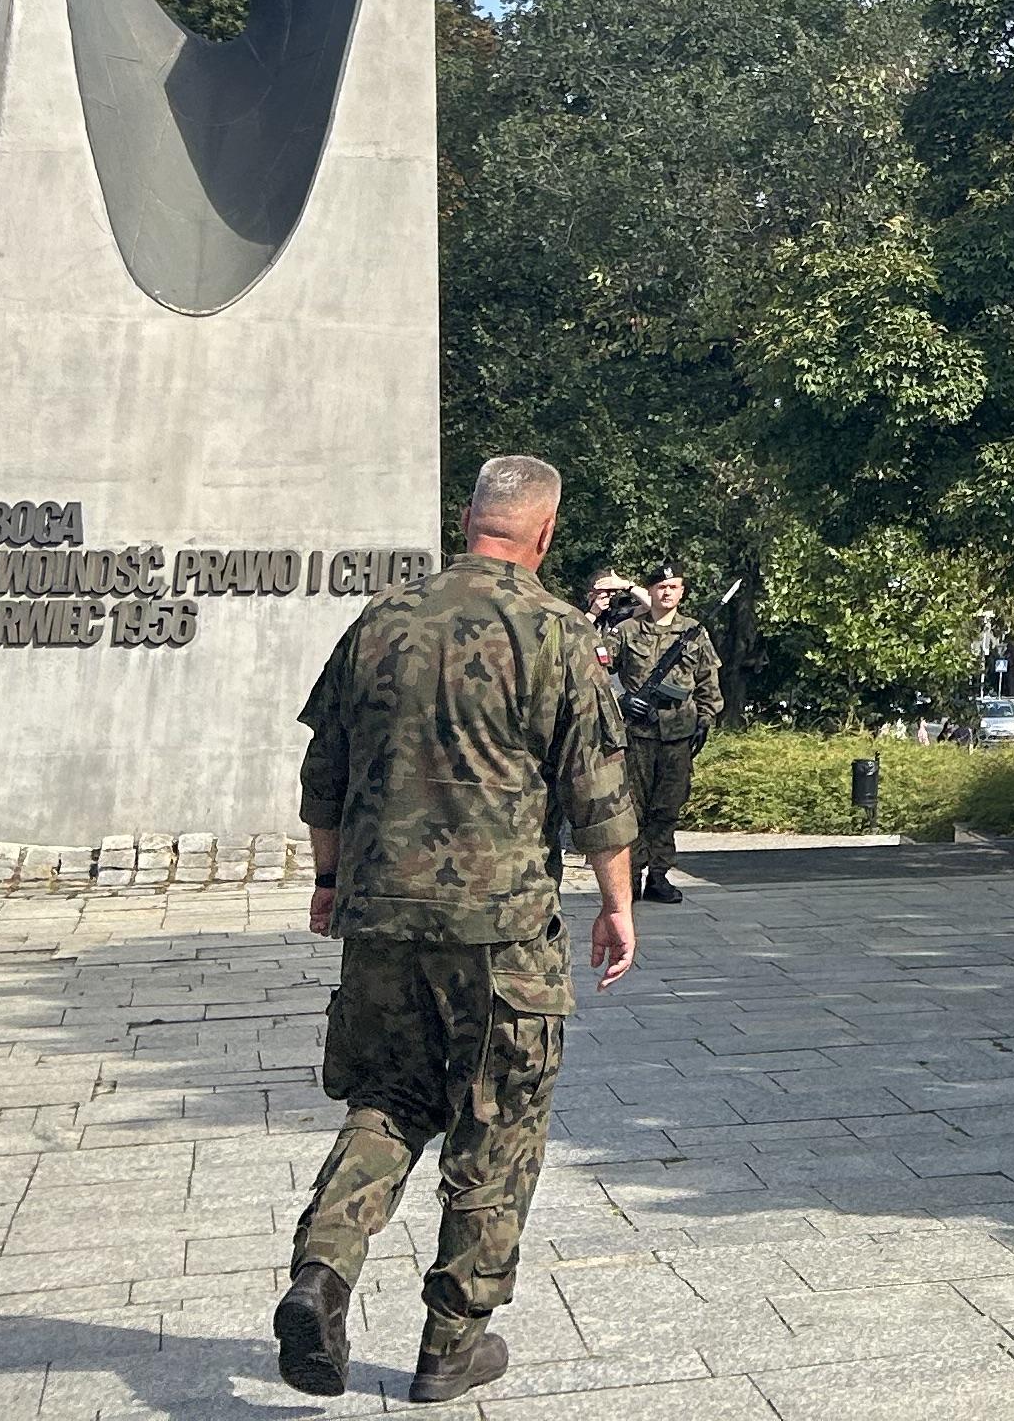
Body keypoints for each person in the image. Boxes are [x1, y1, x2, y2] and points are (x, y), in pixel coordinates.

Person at [278, 453, 637, 1407]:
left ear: (467, 519)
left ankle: (323, 1272)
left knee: (387, 1100)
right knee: (499, 1126)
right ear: (544, 532)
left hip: (382, 919)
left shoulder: (381, 621)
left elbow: (323, 773)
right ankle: (451, 1344)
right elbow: (598, 790)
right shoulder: (557, 632)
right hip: (501, 933)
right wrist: (617, 904)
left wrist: (328, 880)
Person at [615, 568, 723, 907]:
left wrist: (705, 719)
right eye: (661, 586)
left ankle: (659, 875)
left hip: (677, 736)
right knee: (633, 809)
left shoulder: (694, 633)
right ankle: (631, 875)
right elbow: (593, 673)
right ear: (650, 591)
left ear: (682, 592)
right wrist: (620, 700)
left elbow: (708, 682)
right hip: (637, 736)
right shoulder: (627, 631)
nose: (667, 593)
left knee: (668, 808)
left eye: (674, 587)